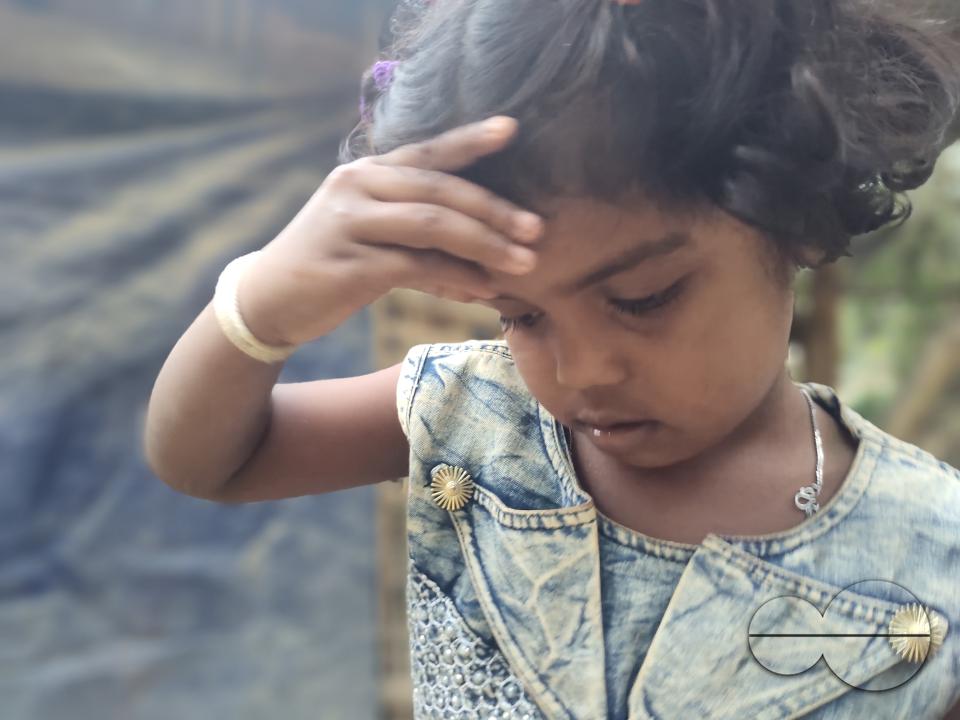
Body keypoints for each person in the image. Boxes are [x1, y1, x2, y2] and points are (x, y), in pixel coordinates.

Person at [144, 0, 960, 717]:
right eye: (521, 315)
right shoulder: (476, 414)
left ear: (799, 220)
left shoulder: (934, 553)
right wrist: (260, 308)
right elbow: (210, 460)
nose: (581, 373)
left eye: (642, 298)